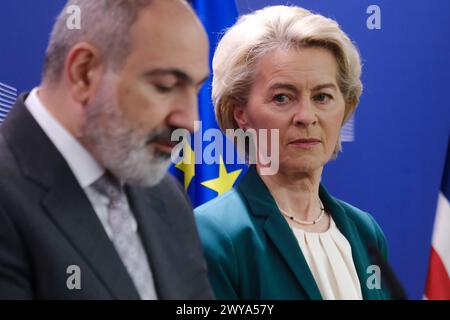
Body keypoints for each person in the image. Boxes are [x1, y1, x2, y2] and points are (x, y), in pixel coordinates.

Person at [0, 0, 213, 299]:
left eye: (197, 89)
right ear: (84, 72)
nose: (191, 121)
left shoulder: (168, 198)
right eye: (165, 86)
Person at [195, 5, 391, 300]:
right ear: (240, 114)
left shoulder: (365, 231)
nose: (306, 116)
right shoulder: (211, 235)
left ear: (346, 107)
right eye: (282, 97)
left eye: (322, 96)